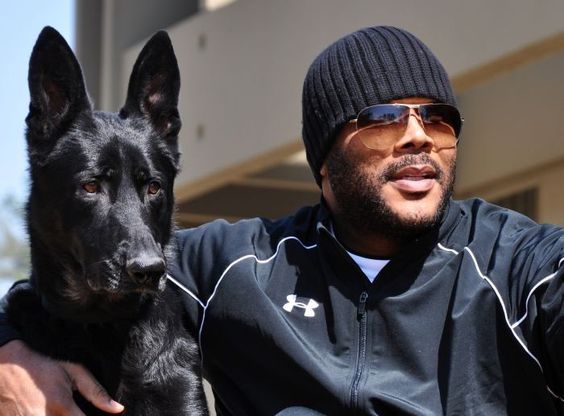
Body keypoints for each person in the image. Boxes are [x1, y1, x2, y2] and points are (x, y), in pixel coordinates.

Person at [0, 25, 562, 415]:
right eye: (385, 117)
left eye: (438, 118)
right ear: (324, 159)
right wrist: (10, 361)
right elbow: (64, 282)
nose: (418, 135)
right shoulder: (230, 266)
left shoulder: (514, 265)